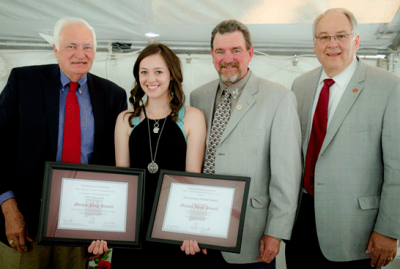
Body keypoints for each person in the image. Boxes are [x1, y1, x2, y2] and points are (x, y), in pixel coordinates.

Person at [0, 17, 127, 269]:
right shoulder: (23, 82)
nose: (81, 54)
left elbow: (114, 165)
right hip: (24, 222)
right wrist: (8, 206)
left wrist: (105, 226)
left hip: (80, 221)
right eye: (71, 46)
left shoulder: (113, 95)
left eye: (88, 47)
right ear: (56, 49)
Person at [285, 8, 400, 269]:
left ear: (356, 40)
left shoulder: (389, 86)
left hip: (358, 232)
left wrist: (389, 230)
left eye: (341, 36)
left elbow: (398, 168)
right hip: (302, 225)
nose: (332, 44)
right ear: (314, 44)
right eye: (324, 37)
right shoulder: (300, 85)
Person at [190, 19, 302, 268]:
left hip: (251, 235)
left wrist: (276, 232)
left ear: (250, 53)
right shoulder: (198, 96)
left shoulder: (279, 98)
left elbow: (288, 174)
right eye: (220, 51)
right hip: (202, 231)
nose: (227, 58)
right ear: (212, 55)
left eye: (236, 50)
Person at [88, 43, 207, 268]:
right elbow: (122, 183)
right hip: (134, 229)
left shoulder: (192, 117)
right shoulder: (126, 119)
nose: (150, 79)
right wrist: (104, 227)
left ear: (172, 75)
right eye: (144, 72)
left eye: (158, 72)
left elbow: (193, 180)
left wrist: (192, 228)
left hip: (174, 229)